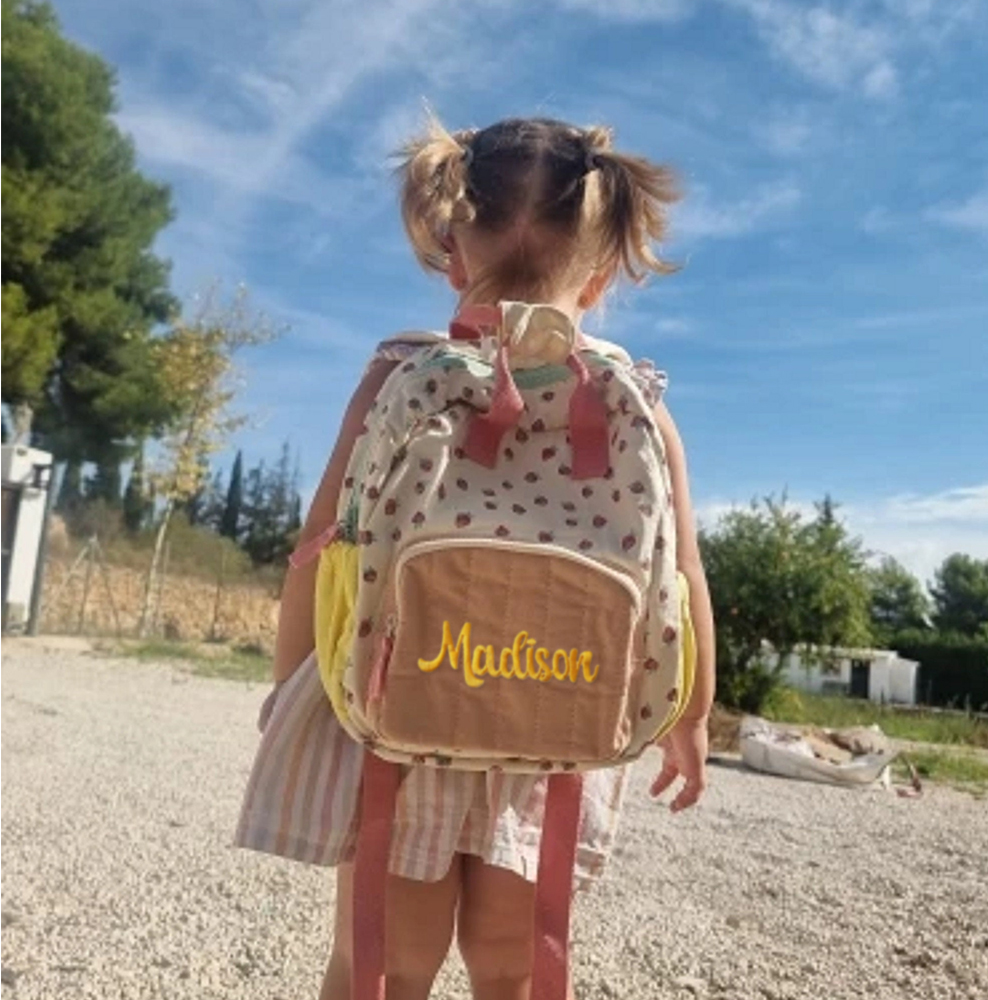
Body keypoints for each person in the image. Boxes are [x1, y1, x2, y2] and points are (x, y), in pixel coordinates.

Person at [237, 115, 716, 1000]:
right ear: (605, 272)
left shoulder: (395, 372)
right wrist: (689, 714)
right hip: (556, 723)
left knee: (381, 960)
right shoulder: (639, 400)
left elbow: (322, 545)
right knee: (516, 963)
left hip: (404, 711)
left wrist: (295, 684)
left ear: (453, 251)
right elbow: (681, 575)